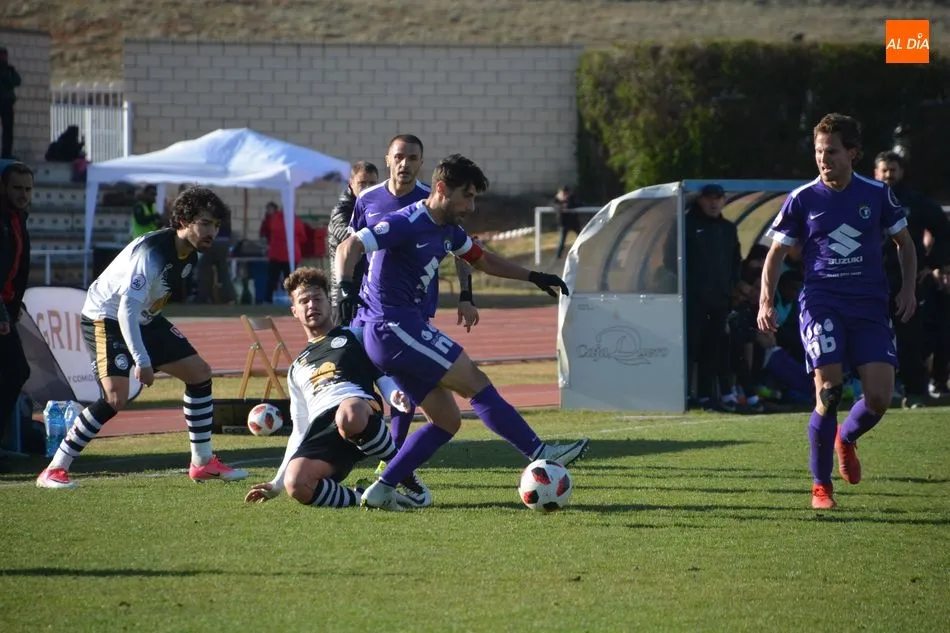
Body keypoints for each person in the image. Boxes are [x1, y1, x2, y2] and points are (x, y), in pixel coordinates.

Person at [335, 153, 589, 511]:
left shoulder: (449, 230)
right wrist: (345, 288)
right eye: (466, 196)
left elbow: (483, 259)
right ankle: (540, 450)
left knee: (447, 421)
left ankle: (381, 489)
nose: (471, 206)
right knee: (475, 381)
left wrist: (534, 276)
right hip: (392, 327)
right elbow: (349, 246)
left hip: (398, 333)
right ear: (442, 189)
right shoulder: (407, 221)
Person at [36, 186, 249, 488]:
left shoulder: (190, 255)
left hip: (144, 318)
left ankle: (202, 463)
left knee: (200, 373)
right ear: (183, 221)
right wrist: (143, 360)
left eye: (216, 225)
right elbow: (126, 309)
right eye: (204, 223)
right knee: (115, 397)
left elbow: (145, 306)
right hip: (106, 317)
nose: (212, 231)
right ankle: (54, 469)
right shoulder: (152, 253)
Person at [758, 113, 917, 510]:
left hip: (869, 305)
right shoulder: (802, 198)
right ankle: (821, 486)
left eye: (831, 152)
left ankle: (845, 437)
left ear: (853, 153)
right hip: (822, 302)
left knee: (879, 398)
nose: (823, 159)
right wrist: (765, 301)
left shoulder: (877, 194)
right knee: (828, 392)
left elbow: (905, 243)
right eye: (818, 152)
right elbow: (775, 253)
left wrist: (908, 288)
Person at [346, 135, 479, 463]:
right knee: (357, 369)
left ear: (421, 163)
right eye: (399, 157)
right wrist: (345, 290)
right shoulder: (367, 199)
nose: (405, 164)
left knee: (404, 378)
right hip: (366, 305)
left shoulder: (432, 200)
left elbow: (463, 251)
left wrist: (466, 295)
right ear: (388, 159)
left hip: (413, 307)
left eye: (413, 158)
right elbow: (352, 247)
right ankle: (361, 441)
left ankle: (392, 451)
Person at [244, 267, 424, 509]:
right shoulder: (296, 368)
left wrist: (394, 395)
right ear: (294, 311)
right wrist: (277, 483)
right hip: (324, 430)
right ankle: (369, 498)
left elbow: (381, 376)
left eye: (317, 298)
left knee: (348, 415)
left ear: (329, 303)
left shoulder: (356, 336)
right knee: (296, 484)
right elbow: (300, 428)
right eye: (304, 301)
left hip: (358, 412)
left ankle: (408, 480)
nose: (312, 305)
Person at [874, 150, 950, 408]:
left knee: (910, 339)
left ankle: (915, 393)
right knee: (871, 338)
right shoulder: (863, 199)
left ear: (901, 172)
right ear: (875, 172)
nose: (888, 175)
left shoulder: (914, 202)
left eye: (893, 170)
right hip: (871, 281)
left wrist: (932, 265)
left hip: (907, 281)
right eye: (884, 170)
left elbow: (944, 230)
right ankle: (875, 391)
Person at [674, 183, 742, 411]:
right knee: (690, 347)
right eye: (709, 198)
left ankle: (706, 396)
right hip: (692, 300)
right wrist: (688, 285)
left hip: (719, 300)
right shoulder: (687, 225)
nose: (714, 203)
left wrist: (732, 287)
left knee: (712, 349)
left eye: (718, 198)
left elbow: (735, 260)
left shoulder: (728, 228)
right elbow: (670, 259)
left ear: (723, 201)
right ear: (700, 200)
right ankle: (685, 394)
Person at [0, 161, 33, 436]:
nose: (23, 194)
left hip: (7, 308)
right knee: (16, 370)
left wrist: (14, 302)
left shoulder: (19, 219)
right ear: (3, 187)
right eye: (17, 188)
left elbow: (15, 268)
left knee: (15, 372)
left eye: (28, 189)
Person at [327, 161, 379, 306]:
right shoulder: (342, 211)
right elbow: (353, 240)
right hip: (345, 291)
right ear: (351, 184)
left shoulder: (376, 208)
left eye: (372, 183)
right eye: (362, 183)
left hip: (370, 289)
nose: (367, 188)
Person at [259, 201, 307, 303]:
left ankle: (267, 300)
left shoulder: (274, 219)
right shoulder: (296, 221)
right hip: (291, 255)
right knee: (291, 280)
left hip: (276, 253)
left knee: (272, 279)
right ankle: (294, 300)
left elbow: (265, 232)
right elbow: (302, 238)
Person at [0, 47, 21, 159]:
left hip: (7, 103)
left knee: (8, 130)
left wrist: (8, 78)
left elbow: (17, 81)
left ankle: (6, 153)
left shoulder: (9, 70)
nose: (4, 57)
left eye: (5, 55)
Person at [552, 185, 582, 259]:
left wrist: (567, 203)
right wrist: (561, 206)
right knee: (562, 241)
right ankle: (558, 256)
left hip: (574, 222)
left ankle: (581, 252)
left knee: (581, 237)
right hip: (563, 224)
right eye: (563, 193)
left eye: (566, 193)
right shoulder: (556, 199)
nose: (564, 195)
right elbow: (553, 205)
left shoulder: (571, 198)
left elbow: (577, 204)